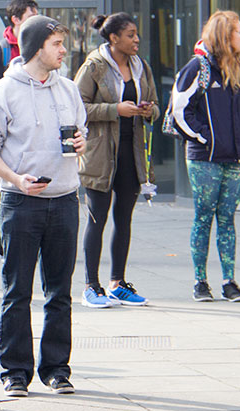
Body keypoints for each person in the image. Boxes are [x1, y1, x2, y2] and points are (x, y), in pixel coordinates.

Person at [0, 15, 86, 397]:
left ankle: (56, 369)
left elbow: (78, 132)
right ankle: (15, 372)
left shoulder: (68, 89)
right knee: (16, 291)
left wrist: (81, 144)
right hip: (20, 202)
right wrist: (16, 179)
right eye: (57, 44)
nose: (63, 51)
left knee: (60, 292)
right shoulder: (3, 92)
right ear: (38, 47)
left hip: (65, 200)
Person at [74, 13, 159, 308]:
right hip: (99, 155)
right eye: (131, 35)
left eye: (136, 34)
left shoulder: (141, 66)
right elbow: (77, 107)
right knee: (97, 218)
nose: (137, 40)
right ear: (113, 38)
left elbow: (156, 105)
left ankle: (117, 283)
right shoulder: (94, 66)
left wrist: (149, 110)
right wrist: (115, 110)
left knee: (124, 218)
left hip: (131, 154)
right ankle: (91, 286)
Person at [172, 10, 240, 303]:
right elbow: (180, 110)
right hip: (204, 159)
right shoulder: (198, 68)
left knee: (227, 219)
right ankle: (200, 282)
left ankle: (229, 282)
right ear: (225, 35)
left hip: (235, 158)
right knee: (204, 217)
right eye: (239, 32)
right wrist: (203, 136)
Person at [0, 0, 38, 258]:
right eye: (31, 15)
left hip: (34, 136)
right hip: (6, 138)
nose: (36, 19)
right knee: (3, 189)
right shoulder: (1, 51)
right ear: (15, 19)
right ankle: (4, 241)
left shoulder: (38, 50)